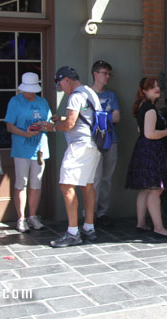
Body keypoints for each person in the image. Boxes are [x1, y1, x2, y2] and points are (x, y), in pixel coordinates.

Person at [44, 66, 102, 247]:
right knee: (87, 185)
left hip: (79, 146)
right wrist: (61, 119)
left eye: (61, 84)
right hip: (93, 145)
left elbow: (70, 124)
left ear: (66, 80)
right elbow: (84, 118)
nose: (61, 88)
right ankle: (89, 228)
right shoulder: (90, 92)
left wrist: (51, 127)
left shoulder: (75, 96)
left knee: (66, 185)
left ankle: (72, 232)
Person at [126, 77, 167, 238]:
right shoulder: (149, 108)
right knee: (156, 189)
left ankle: (141, 223)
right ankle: (158, 227)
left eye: (157, 86)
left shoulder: (142, 106)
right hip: (151, 151)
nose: (157, 89)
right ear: (144, 91)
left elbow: (141, 131)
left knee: (145, 189)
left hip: (144, 149)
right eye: (152, 87)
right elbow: (150, 133)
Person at [4, 72, 52, 233]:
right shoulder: (15, 101)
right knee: (21, 183)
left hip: (39, 148)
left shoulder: (42, 101)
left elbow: (50, 123)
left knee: (36, 183)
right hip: (21, 148)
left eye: (33, 89)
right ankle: (21, 218)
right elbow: (9, 126)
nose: (31, 93)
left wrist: (43, 125)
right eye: (28, 89)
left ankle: (33, 216)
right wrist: (25, 133)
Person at [90, 60, 120, 228]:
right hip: (93, 142)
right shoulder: (86, 94)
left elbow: (117, 117)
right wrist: (105, 116)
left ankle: (102, 213)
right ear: (96, 74)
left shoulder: (111, 95)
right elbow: (84, 120)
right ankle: (90, 213)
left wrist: (99, 117)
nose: (107, 76)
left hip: (111, 140)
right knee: (94, 178)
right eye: (105, 73)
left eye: (109, 74)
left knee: (107, 178)